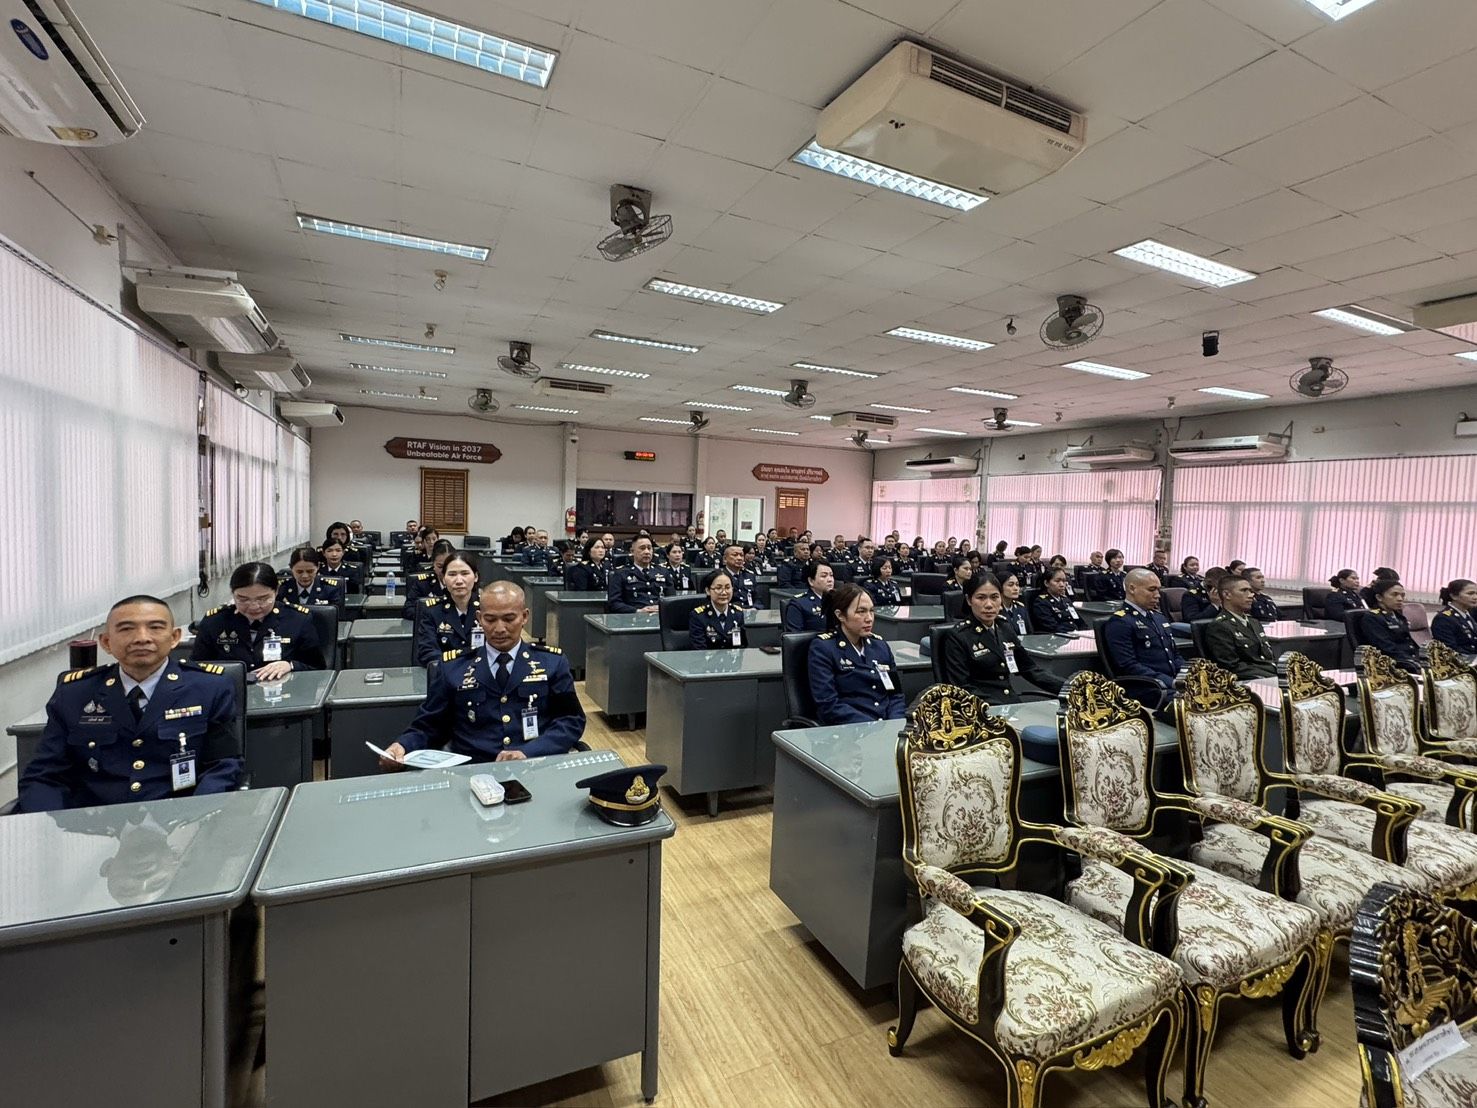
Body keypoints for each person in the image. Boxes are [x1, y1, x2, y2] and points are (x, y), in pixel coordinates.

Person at [16, 595, 244, 812]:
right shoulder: (75, 694)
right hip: (95, 826)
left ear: (174, 637)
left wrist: (195, 820)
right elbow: (44, 775)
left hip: (178, 822)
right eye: (126, 629)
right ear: (106, 642)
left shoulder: (208, 688)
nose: (142, 638)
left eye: (155, 627)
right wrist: (54, 828)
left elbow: (222, 766)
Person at [382, 582, 584, 764]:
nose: (500, 628)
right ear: (479, 618)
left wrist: (529, 752)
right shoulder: (453, 667)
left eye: (509, 619)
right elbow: (429, 725)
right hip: (473, 772)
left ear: (524, 617)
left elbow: (571, 720)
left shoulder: (552, 663)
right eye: (490, 619)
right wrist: (403, 746)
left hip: (534, 765)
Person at [939, 574, 1064, 704]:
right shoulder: (958, 636)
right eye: (981, 598)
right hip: (981, 708)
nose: (989, 605)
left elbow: (1030, 669)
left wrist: (1069, 688)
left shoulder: (1004, 627)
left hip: (1010, 703)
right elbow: (962, 688)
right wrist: (1000, 707)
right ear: (969, 600)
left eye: (994, 597)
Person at [192, 563, 324, 679]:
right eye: (243, 599)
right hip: (229, 692)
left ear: (276, 591)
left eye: (263, 599)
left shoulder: (297, 620)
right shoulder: (215, 622)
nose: (254, 607)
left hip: (282, 692)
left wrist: (290, 665)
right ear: (233, 594)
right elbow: (195, 668)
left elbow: (317, 667)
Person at [806, 583, 905, 725]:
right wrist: (873, 727)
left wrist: (895, 724)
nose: (869, 618)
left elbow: (895, 695)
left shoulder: (880, 646)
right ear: (840, 615)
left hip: (886, 728)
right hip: (850, 729)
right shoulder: (824, 648)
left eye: (871, 611)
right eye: (861, 612)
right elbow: (828, 704)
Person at [1102, 569, 1183, 707]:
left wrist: (1189, 675)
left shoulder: (1159, 618)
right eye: (1152, 590)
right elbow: (1128, 666)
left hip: (1171, 685)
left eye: (1158, 590)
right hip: (1148, 688)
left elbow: (1174, 655)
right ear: (1132, 589)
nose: (1158, 595)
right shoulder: (1120, 622)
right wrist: (1171, 682)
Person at [413, 550, 482, 667]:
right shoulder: (432, 611)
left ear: (475, 577)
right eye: (452, 574)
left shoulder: (488, 609)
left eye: (465, 573)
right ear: (444, 579)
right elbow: (428, 653)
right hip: (445, 674)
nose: (459, 581)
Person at [1202, 575, 1277, 679]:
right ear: (1227, 595)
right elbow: (1231, 666)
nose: (1251, 595)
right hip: (1250, 680)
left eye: (1251, 591)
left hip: (1268, 672)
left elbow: (1266, 656)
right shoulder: (1220, 626)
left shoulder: (1254, 622)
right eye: (1244, 591)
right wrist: (1273, 675)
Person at [1361, 578, 1422, 672]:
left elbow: (1409, 644)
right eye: (1394, 594)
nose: (1400, 599)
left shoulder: (1398, 616)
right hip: (1393, 666)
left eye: (1402, 595)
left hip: (1410, 661)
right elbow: (1386, 649)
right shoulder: (1372, 617)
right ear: (1379, 597)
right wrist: (1411, 662)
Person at [688, 569, 749, 650]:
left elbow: (742, 646)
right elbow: (699, 650)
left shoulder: (738, 614)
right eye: (718, 588)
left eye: (727, 588)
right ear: (708, 591)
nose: (724, 592)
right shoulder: (698, 616)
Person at [607, 536, 669, 613]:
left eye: (649, 548)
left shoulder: (663, 572)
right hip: (634, 617)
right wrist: (638, 611)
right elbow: (614, 603)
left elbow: (672, 599)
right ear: (632, 551)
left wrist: (662, 608)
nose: (647, 552)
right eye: (642, 548)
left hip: (660, 615)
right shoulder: (621, 573)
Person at [278, 546, 345, 608]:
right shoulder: (282, 589)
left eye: (310, 571)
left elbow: (337, 615)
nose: (305, 576)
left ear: (318, 567)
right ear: (291, 568)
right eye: (299, 572)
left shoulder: (330, 589)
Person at [404, 539, 454, 618]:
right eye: (440, 566)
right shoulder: (423, 583)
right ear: (433, 564)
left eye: (449, 566)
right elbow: (408, 610)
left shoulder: (463, 584)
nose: (444, 571)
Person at [1031, 568, 1087, 633]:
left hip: (1074, 634)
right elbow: (1052, 627)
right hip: (1057, 636)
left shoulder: (1066, 600)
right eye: (1057, 581)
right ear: (1046, 583)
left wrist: (1086, 631)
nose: (1062, 585)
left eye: (1064, 581)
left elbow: (1080, 621)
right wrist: (1073, 632)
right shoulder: (1041, 602)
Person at [784, 561, 833, 632]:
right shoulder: (799, 604)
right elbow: (795, 636)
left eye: (831, 575)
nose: (830, 580)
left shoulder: (838, 599)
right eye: (824, 576)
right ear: (811, 581)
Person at [1431, 580, 1477, 655]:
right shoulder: (1444, 619)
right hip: (1460, 660)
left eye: (1476, 593)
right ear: (1454, 596)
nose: (1475, 597)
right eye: (1470, 593)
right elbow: (1449, 650)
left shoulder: (1468, 614)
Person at [722, 544, 760, 609]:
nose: (739, 558)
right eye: (735, 555)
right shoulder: (719, 577)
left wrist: (755, 608)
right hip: (731, 612)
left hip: (751, 612)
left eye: (741, 555)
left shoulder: (749, 575)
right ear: (725, 559)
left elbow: (758, 599)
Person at [997, 571, 1031, 636]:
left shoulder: (1021, 608)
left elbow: (1030, 633)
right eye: (1010, 585)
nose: (1016, 588)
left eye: (1017, 585)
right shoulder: (995, 610)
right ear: (1000, 587)